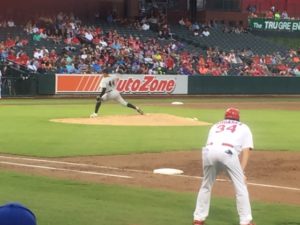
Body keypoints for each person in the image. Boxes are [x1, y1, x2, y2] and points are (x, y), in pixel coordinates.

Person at [193, 108, 255, 225]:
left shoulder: (215, 125)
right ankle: (246, 221)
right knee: (240, 186)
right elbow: (246, 151)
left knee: (206, 185)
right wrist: (241, 173)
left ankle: (198, 219)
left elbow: (211, 144)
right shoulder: (244, 127)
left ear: (225, 117)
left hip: (208, 151)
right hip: (227, 152)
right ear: (238, 117)